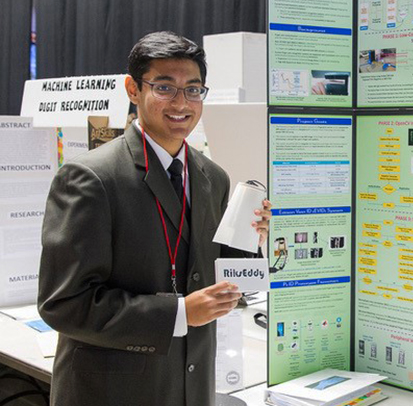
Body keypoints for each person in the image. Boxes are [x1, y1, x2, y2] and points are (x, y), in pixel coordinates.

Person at [37, 31, 271, 406]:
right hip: (113, 392)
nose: (182, 103)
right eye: (165, 87)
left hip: (190, 386)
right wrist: (179, 313)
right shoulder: (91, 177)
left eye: (193, 90)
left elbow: (220, 278)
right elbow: (64, 303)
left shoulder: (213, 177)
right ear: (133, 89)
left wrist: (252, 235)